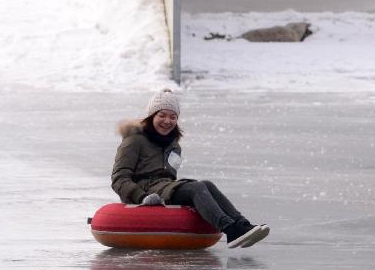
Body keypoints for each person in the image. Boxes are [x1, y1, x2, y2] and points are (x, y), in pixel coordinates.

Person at [111, 88, 270, 248]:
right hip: (145, 192)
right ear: (151, 116)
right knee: (196, 188)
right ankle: (230, 229)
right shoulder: (135, 140)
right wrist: (141, 197)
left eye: (173, 117)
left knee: (207, 184)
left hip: (163, 188)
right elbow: (119, 178)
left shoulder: (173, 145)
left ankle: (242, 225)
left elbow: (169, 178)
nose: (167, 121)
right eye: (162, 115)